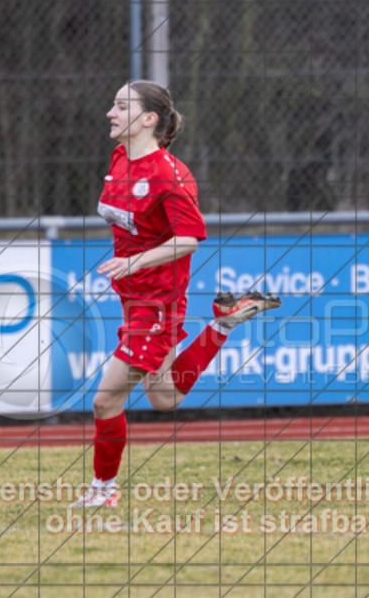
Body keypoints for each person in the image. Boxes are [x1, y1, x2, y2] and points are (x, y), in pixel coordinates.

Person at [70, 80, 281, 508]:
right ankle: (223, 323)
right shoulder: (120, 159)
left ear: (149, 119)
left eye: (121, 105)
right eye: (112, 104)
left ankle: (103, 491)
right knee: (164, 397)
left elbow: (189, 239)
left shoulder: (171, 174)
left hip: (158, 300)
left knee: (105, 400)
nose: (110, 113)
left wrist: (135, 262)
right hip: (133, 298)